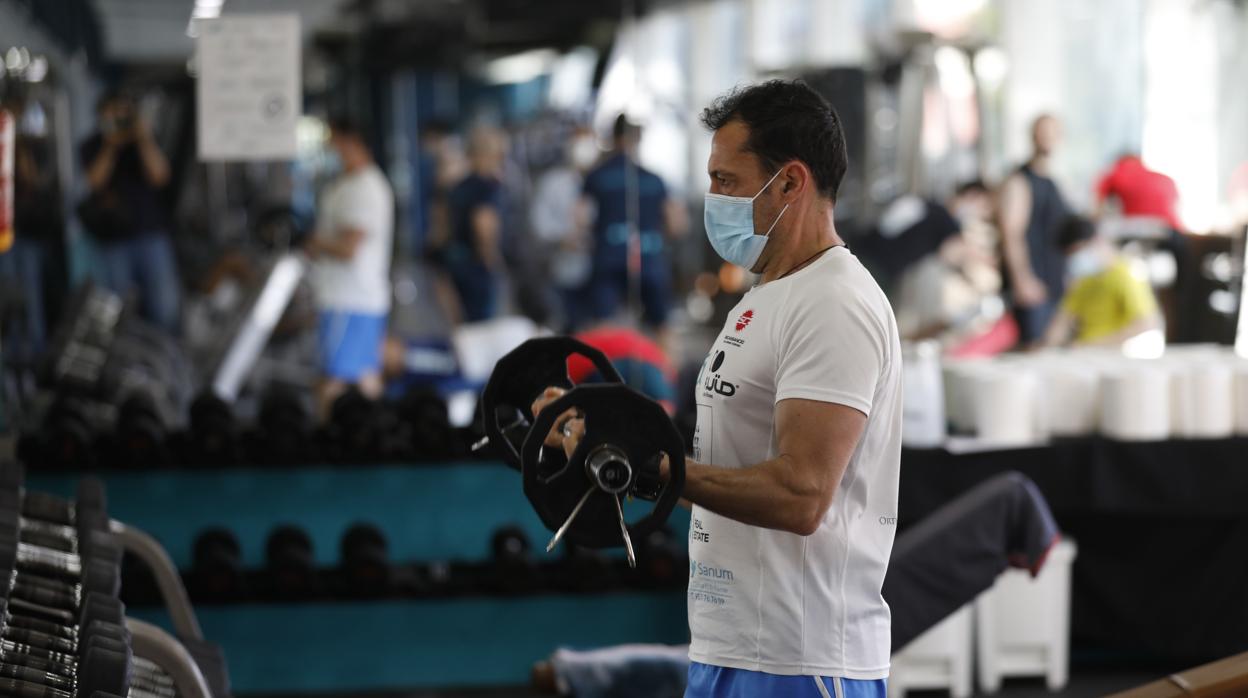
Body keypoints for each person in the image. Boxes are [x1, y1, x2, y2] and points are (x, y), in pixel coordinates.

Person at [538, 80, 900, 698]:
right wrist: (609, 431)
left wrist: (651, 469)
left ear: (790, 182)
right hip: (729, 644)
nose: (712, 199)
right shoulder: (765, 294)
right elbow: (730, 456)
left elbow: (801, 496)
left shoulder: (833, 302)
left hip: (799, 662)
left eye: (728, 181)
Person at [305, 117, 395, 419]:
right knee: (364, 375)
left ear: (350, 141)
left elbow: (349, 247)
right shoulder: (346, 184)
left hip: (349, 299)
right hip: (354, 298)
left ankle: (328, 442)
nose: (330, 148)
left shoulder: (365, 188)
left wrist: (315, 243)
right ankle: (374, 438)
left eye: (333, 140)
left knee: (333, 381)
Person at [79, 91, 180, 333]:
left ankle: (166, 357)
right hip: (113, 238)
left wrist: (143, 138)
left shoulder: (143, 141)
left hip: (149, 233)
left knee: (164, 306)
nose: (119, 121)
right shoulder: (93, 144)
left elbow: (160, 176)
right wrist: (110, 145)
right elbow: (94, 182)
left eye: (123, 114)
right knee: (117, 307)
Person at [580, 115, 687, 336]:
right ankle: (665, 369)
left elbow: (579, 220)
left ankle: (603, 369)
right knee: (661, 328)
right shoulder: (655, 179)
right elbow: (676, 224)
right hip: (649, 259)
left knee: (603, 326)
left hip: (608, 258)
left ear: (614, 137)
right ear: (637, 138)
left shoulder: (596, 176)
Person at [997, 114, 1070, 347]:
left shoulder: (1052, 183)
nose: (1048, 138)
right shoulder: (1020, 181)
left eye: (1053, 132)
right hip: (1033, 287)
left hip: (1054, 285)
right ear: (1033, 136)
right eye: (1043, 132)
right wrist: (1022, 279)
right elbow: (1011, 233)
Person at [1042, 216, 1162, 348]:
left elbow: (1146, 323)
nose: (1076, 259)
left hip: (1111, 353)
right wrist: (1046, 347)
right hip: (1081, 354)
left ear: (1096, 241)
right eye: (1071, 255)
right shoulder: (1084, 280)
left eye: (1078, 251)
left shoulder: (1126, 274)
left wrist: (1089, 346)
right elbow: (1062, 319)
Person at [530, 127, 599, 331]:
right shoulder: (554, 183)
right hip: (561, 270)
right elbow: (539, 223)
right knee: (565, 324)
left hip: (597, 271)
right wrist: (562, 238)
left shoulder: (603, 181)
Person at [445, 126, 508, 323]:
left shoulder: (458, 186)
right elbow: (483, 223)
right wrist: (490, 256)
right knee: (482, 323)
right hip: (477, 264)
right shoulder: (487, 186)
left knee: (463, 320)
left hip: (456, 259)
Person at [1094, 153, 1182, 231]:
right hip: (1173, 231)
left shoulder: (1117, 173)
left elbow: (1098, 205)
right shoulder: (1165, 179)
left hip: (1139, 232)